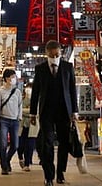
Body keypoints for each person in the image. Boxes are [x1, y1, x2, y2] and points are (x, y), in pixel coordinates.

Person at [30, 40, 78, 186]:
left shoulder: (68, 67)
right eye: (52, 55)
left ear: (61, 52)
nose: (55, 57)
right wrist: (32, 113)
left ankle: (60, 173)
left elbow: (72, 89)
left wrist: (75, 111)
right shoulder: (40, 69)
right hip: (46, 112)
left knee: (64, 143)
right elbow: (35, 92)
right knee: (47, 144)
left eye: (57, 54)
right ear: (47, 54)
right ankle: (48, 175)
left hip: (64, 110)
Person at [0, 68, 22, 175]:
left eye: (14, 77)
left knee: (15, 145)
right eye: (12, 77)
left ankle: (7, 160)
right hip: (3, 120)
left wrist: (19, 117)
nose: (14, 79)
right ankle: (4, 167)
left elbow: (20, 105)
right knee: (3, 144)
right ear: (6, 78)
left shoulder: (17, 92)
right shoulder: (0, 92)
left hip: (14, 121)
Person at [17, 84, 38, 171]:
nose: (29, 90)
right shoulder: (21, 100)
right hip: (22, 125)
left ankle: (27, 164)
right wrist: (29, 111)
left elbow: (36, 112)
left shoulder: (37, 100)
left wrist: (24, 111)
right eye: (27, 89)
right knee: (20, 145)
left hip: (32, 125)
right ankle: (20, 158)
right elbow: (18, 110)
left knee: (29, 146)